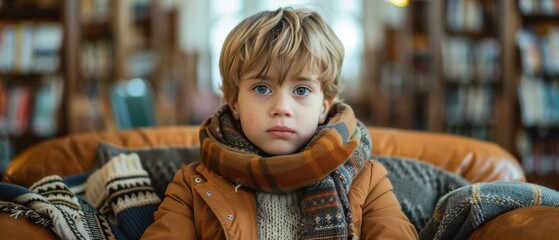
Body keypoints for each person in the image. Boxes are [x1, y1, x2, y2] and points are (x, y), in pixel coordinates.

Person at [141, 7, 418, 239]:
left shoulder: (367, 181)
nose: (282, 108)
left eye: (301, 90)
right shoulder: (192, 185)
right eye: (262, 89)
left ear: (325, 104)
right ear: (233, 101)